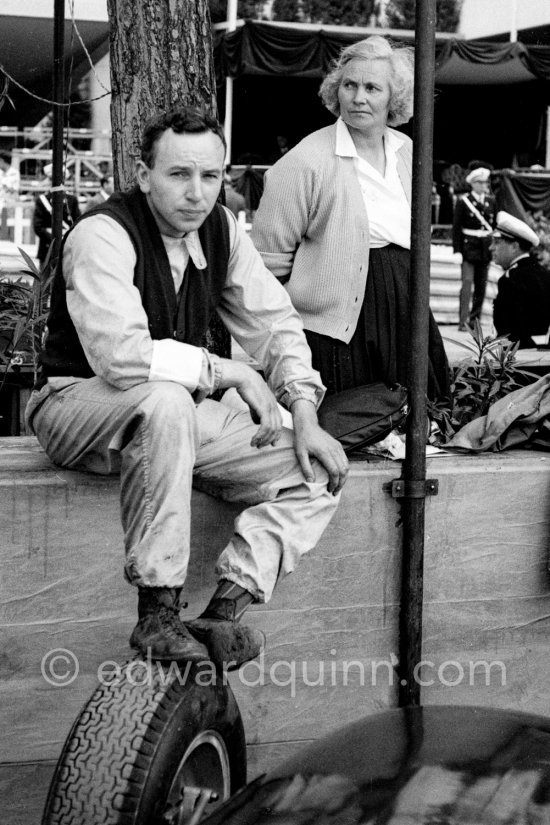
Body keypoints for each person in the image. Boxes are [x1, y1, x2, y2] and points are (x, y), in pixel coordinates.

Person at [25, 107, 348, 668]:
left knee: (315, 467)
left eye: (210, 176)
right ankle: (158, 611)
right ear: (144, 174)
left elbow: (274, 323)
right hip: (74, 403)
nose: (197, 193)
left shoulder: (220, 229)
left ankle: (221, 616)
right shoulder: (103, 234)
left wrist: (304, 411)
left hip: (164, 420)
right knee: (167, 398)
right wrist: (232, 372)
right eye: (179, 175)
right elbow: (122, 359)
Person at [251, 36, 449, 400]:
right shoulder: (305, 162)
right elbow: (267, 263)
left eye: (372, 87)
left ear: (395, 97)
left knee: (417, 426)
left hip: (405, 308)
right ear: (335, 90)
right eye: (349, 85)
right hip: (337, 326)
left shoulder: (409, 153)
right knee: (354, 427)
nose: (358, 97)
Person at [491, 211, 550, 348]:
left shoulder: (510, 280)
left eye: (497, 242)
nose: (491, 247)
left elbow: (507, 333)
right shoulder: (545, 274)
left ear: (514, 246)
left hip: (517, 360)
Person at [452, 166, 496, 330]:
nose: (486, 185)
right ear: (475, 184)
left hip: (485, 249)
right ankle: (463, 321)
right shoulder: (464, 202)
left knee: (481, 287)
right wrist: (457, 250)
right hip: (468, 249)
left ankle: (474, 321)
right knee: (467, 285)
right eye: (483, 182)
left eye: (486, 182)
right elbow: (456, 228)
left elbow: (494, 226)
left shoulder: (491, 201)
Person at [32, 163, 81, 265]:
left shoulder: (72, 200)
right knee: (45, 278)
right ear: (50, 180)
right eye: (52, 179)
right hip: (47, 247)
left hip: (67, 247)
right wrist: (55, 239)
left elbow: (78, 222)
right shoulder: (42, 200)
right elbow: (38, 227)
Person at [0, 150, 20, 239]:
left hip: (10, 203)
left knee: (9, 225)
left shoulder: (14, 173)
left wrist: (6, 185)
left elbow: (14, 189)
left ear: (2, 161)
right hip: (1, 201)